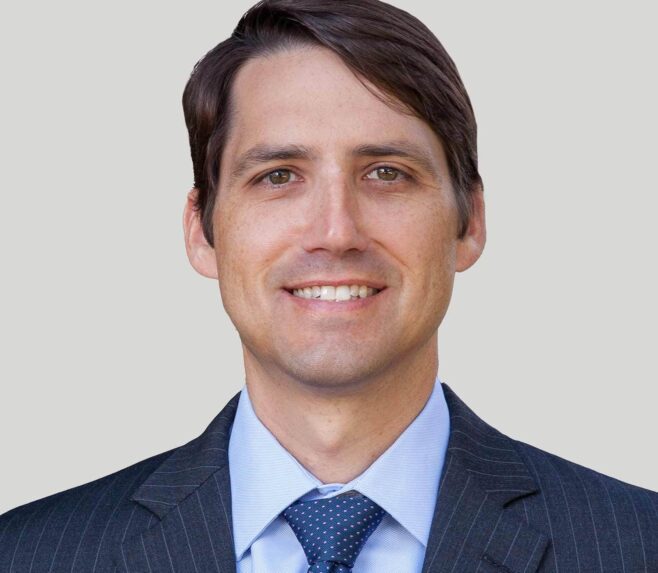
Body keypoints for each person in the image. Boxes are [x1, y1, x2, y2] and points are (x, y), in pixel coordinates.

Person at [0, 0, 655, 571]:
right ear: (202, 231)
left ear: (470, 222)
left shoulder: (637, 546)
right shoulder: (29, 555)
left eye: (387, 173)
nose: (336, 232)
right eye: (279, 176)